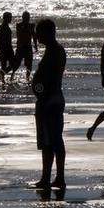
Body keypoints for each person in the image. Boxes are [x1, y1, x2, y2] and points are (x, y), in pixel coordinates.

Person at [29, 19, 66, 190]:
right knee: (52, 141)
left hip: (49, 101)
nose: (36, 35)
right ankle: (53, 177)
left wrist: (41, 94)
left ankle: (51, 178)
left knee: (50, 141)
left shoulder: (54, 52)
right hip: (52, 99)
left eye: (39, 32)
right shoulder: (54, 50)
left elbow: (49, 79)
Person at [11, 11, 38, 81]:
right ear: (22, 18)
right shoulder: (19, 25)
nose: (26, 19)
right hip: (20, 47)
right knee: (16, 64)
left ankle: (27, 78)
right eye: (25, 17)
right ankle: (12, 76)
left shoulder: (31, 26)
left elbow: (34, 36)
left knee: (29, 65)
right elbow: (19, 35)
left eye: (27, 17)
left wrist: (35, 46)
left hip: (28, 47)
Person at [0, 12, 14, 83]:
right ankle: (2, 78)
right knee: (7, 65)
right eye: (10, 17)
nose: (11, 19)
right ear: (6, 18)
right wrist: (0, 49)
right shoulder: (3, 27)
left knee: (11, 65)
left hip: (7, 48)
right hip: (5, 48)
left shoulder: (5, 26)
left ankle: (2, 76)